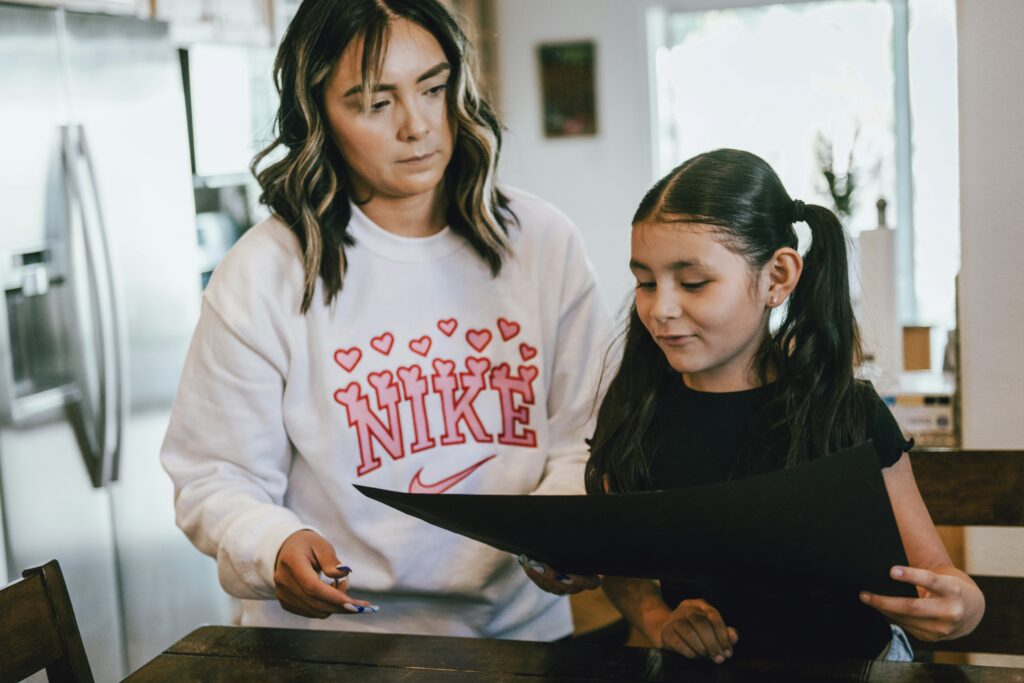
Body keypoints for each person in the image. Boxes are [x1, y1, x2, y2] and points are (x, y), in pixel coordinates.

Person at [160, 0, 610, 640]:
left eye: (433, 88)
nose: (418, 125)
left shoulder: (542, 242)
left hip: (519, 638)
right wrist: (272, 543)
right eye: (375, 103)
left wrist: (567, 530)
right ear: (318, 116)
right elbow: (214, 475)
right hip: (334, 647)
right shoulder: (264, 272)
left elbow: (583, 436)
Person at [583, 149, 984, 662]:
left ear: (777, 277)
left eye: (693, 282)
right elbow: (625, 573)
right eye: (645, 282)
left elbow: (939, 579)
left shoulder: (846, 413)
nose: (659, 309)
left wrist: (963, 606)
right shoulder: (637, 412)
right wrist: (661, 621)